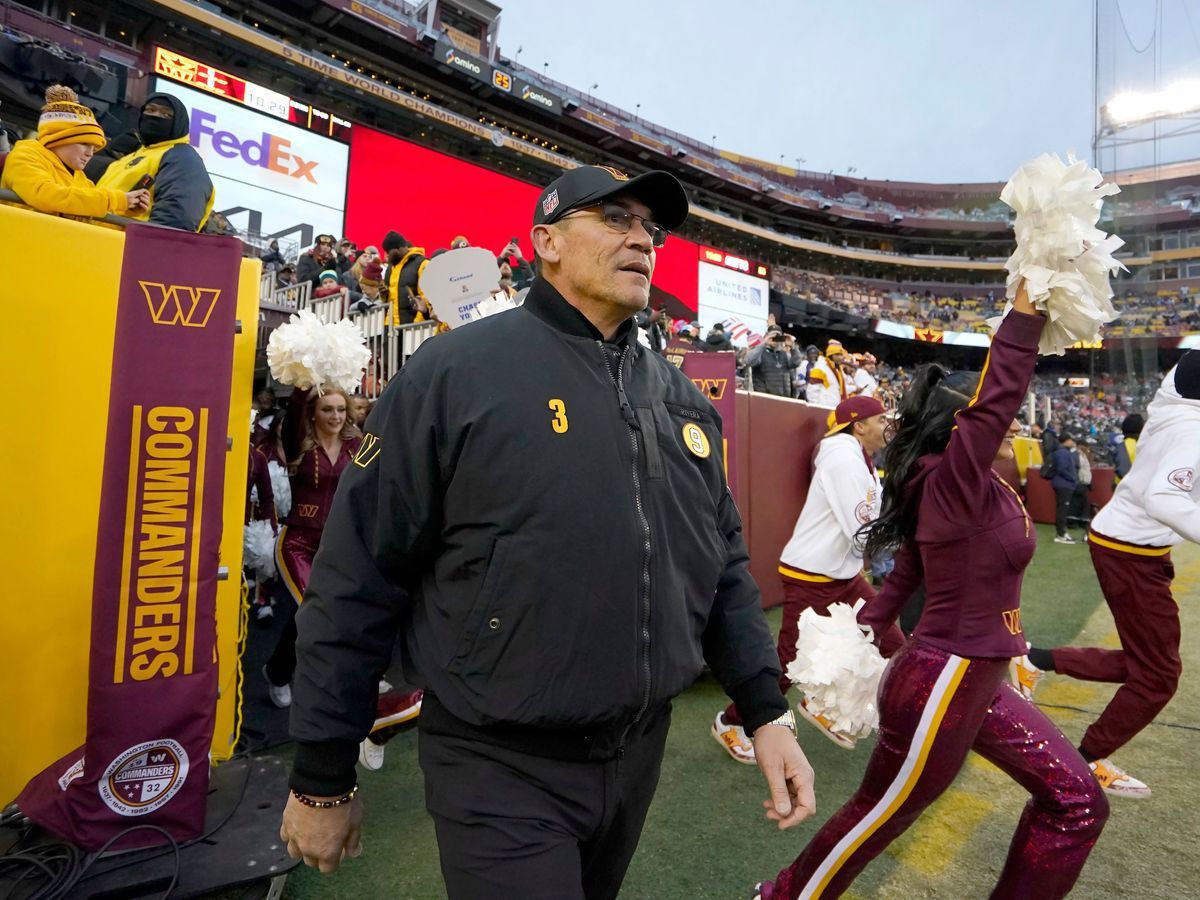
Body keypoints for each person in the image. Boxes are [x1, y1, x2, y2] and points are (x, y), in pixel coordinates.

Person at [279, 164, 816, 897]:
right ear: (547, 242)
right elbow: (356, 579)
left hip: (636, 755)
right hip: (498, 760)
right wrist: (320, 779)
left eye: (650, 229)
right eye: (615, 220)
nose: (642, 240)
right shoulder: (453, 373)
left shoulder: (683, 401)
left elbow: (720, 566)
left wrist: (766, 711)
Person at [758, 283, 1108, 900]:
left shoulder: (970, 489)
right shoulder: (952, 479)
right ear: (960, 432)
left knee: (1077, 801)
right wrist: (1023, 317)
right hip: (945, 677)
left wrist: (863, 628)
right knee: (878, 814)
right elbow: (998, 399)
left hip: (976, 674)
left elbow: (908, 575)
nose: (1013, 424)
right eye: (988, 422)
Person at [1016, 352, 1200, 798]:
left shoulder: (1177, 414)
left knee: (1149, 666)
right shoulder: (1191, 428)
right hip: (1131, 550)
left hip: (1130, 544)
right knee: (1158, 676)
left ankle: (1033, 660)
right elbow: (1165, 499)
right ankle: (1085, 760)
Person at [712, 395, 902, 761]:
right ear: (859, 424)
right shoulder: (843, 457)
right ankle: (731, 721)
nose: (887, 426)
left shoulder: (857, 457)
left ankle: (840, 710)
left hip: (841, 575)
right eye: (881, 419)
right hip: (813, 576)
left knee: (891, 640)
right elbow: (863, 532)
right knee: (789, 662)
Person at [262, 388, 362, 708]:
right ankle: (319, 680)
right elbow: (294, 413)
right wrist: (303, 386)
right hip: (298, 544)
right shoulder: (299, 444)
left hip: (338, 544)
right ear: (314, 414)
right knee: (314, 609)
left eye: (340, 410)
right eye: (327, 410)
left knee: (315, 613)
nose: (335, 416)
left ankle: (278, 671)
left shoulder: (356, 446)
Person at [1, 85, 149, 218]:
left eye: (94, 148)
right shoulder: (24, 156)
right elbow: (47, 196)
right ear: (59, 138)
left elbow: (90, 223)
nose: (90, 153)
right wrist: (116, 200)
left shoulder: (81, 179)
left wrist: (125, 211)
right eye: (84, 144)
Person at [95, 92, 214, 231]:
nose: (156, 116)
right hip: (94, 241)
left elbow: (176, 220)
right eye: (150, 110)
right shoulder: (130, 157)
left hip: (124, 248)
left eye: (166, 114)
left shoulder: (183, 158)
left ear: (179, 122)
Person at [381, 230, 429, 325]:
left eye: (388, 252)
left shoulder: (422, 264)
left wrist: (417, 323)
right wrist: (383, 295)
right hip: (390, 325)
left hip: (411, 326)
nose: (386, 256)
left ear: (399, 249)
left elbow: (425, 297)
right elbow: (389, 299)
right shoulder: (391, 267)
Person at [746, 326, 801, 396]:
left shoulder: (785, 354)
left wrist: (793, 346)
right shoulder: (760, 353)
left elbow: (797, 362)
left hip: (784, 398)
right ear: (767, 336)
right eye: (772, 336)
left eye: (777, 337)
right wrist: (764, 343)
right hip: (765, 398)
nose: (774, 339)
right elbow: (748, 361)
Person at [1050, 435, 1080, 544]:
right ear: (1066, 441)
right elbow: (1061, 469)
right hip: (1064, 484)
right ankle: (1061, 534)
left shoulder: (1063, 452)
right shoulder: (1062, 452)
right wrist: (1072, 478)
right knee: (1062, 509)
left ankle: (1062, 532)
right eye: (1071, 440)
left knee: (1063, 509)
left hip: (1063, 484)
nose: (1072, 442)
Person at [806, 340, 849, 407]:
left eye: (841, 354)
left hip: (836, 408)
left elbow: (840, 389)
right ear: (830, 355)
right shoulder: (820, 368)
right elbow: (812, 391)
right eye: (837, 354)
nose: (840, 357)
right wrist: (818, 408)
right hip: (825, 409)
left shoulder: (838, 369)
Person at [1113, 412, 1143, 484]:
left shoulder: (1122, 446)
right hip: (1138, 487)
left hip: (1125, 488)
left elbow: (1122, 470)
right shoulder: (1144, 444)